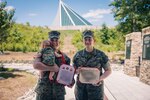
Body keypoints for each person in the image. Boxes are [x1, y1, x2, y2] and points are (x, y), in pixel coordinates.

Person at [73, 30, 112, 100]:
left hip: (96, 91)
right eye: (85, 39)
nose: (87, 41)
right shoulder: (77, 55)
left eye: (89, 39)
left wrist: (99, 79)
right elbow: (73, 71)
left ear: (94, 40)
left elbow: (108, 70)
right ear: (83, 40)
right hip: (81, 91)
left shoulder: (101, 55)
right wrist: (76, 71)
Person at [33, 31, 71, 100]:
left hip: (58, 93)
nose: (54, 42)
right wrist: (53, 68)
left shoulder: (64, 57)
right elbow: (36, 65)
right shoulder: (42, 52)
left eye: (56, 40)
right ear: (48, 41)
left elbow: (68, 73)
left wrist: (70, 81)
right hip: (44, 92)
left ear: (59, 41)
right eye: (52, 40)